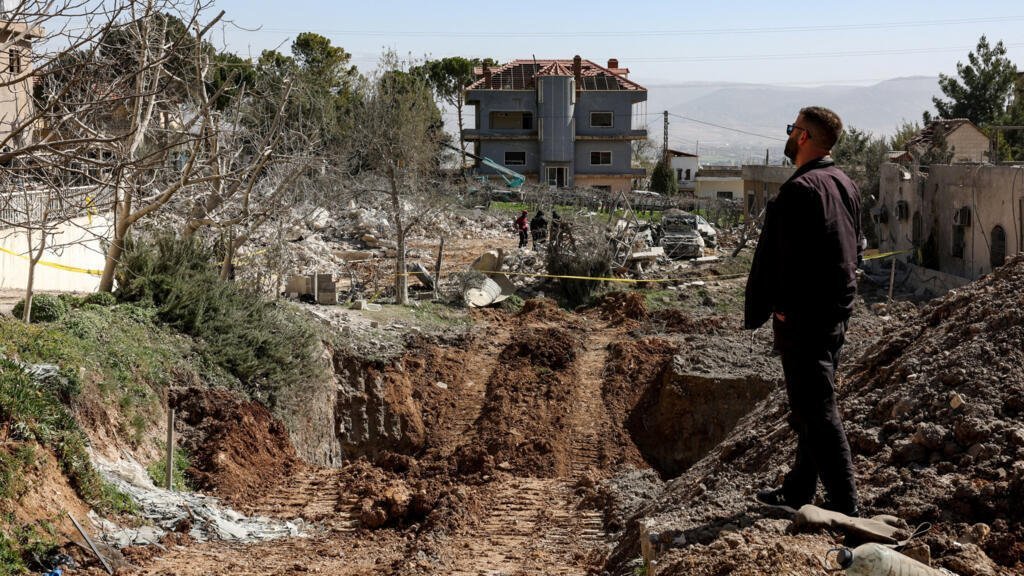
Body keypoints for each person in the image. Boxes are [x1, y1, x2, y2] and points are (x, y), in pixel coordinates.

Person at [745, 106, 862, 517]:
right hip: (835, 313)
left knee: (818, 411)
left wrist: (778, 310)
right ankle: (798, 490)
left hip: (805, 319)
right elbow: (854, 247)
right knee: (810, 407)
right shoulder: (844, 183)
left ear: (805, 137)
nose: (790, 135)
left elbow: (781, 262)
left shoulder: (799, 190)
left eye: (793, 129)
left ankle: (847, 508)